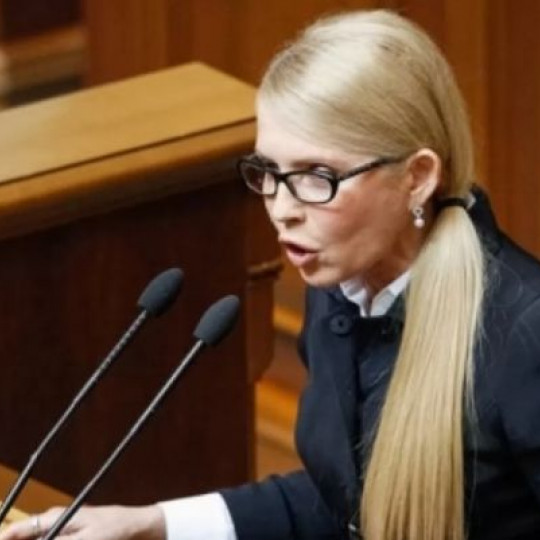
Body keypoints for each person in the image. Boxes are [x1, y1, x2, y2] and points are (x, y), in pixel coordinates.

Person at [3, 7, 540, 540]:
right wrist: (152, 524)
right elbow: (345, 500)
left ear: (418, 177)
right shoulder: (341, 290)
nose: (282, 210)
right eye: (268, 172)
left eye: (317, 176)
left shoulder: (525, 336)